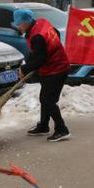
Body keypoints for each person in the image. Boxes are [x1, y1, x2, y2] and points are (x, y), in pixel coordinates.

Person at [13, 8, 71, 142]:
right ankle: (44, 125)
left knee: (48, 100)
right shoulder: (41, 23)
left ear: (27, 22)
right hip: (53, 68)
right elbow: (54, 33)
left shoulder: (37, 37)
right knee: (45, 98)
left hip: (56, 69)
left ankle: (62, 129)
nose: (18, 27)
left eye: (19, 24)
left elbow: (40, 59)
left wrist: (24, 69)